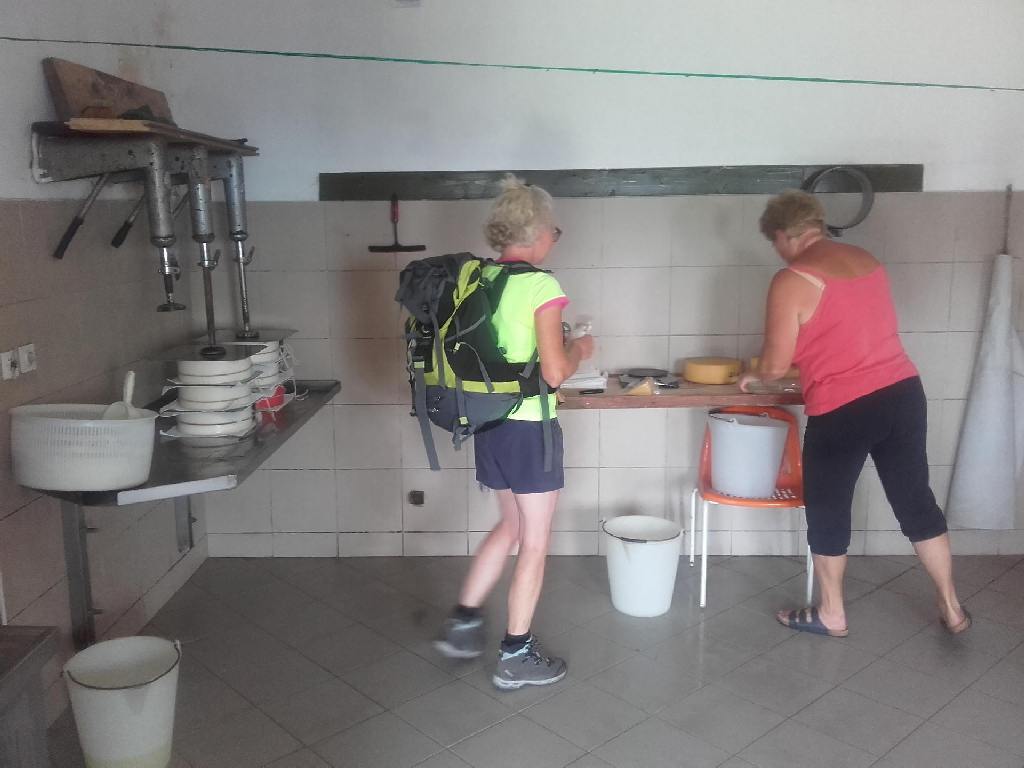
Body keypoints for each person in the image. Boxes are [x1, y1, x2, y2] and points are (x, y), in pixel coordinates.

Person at [739, 190, 970, 638]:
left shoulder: (791, 280)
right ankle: (952, 605)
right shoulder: (867, 261)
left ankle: (832, 614)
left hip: (844, 407)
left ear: (785, 235)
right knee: (915, 501)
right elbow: (847, 336)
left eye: (775, 242)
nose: (778, 251)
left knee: (828, 507)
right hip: (903, 393)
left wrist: (756, 375)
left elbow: (774, 366)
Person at [433, 176, 594, 688]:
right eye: (554, 231)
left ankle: (464, 622)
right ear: (539, 232)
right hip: (529, 429)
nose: (554, 240)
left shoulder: (478, 278)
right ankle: (515, 655)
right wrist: (581, 349)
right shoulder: (541, 286)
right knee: (535, 543)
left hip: (489, 423)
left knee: (510, 527)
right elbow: (555, 372)